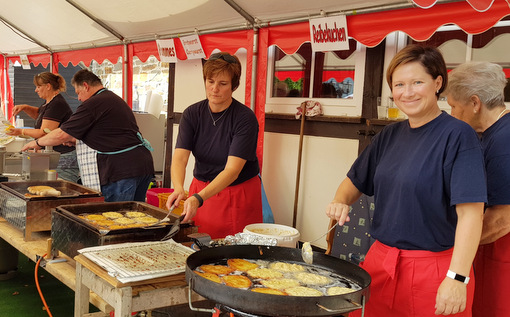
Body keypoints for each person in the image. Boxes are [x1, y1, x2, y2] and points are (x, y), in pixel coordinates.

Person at [327, 45, 487, 317]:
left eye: (417, 82)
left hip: (434, 269)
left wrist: (457, 278)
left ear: (438, 83)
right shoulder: (389, 135)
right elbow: (352, 183)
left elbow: (471, 214)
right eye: (399, 84)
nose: (407, 92)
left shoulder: (458, 136)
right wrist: (339, 202)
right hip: (379, 262)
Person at [166, 52, 262, 239]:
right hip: (200, 190)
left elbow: (232, 170)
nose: (214, 89)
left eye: (223, 84)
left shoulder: (245, 118)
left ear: (234, 86)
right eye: (210, 81)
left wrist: (199, 198)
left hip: (236, 192)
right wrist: (178, 187)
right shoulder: (192, 114)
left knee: (234, 253)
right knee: (199, 244)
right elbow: (180, 158)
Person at [21, 69, 154, 202]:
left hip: (121, 171)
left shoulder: (93, 103)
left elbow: (61, 134)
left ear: (86, 86)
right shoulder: (112, 98)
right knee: (135, 216)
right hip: (141, 165)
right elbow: (108, 134)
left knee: (116, 216)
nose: (78, 98)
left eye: (78, 93)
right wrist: (75, 141)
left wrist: (36, 143)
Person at [446, 61, 510, 317]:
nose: (451, 114)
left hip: (501, 255)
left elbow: (502, 219)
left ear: (475, 103)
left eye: (453, 106)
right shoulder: (492, 133)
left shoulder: (504, 143)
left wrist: (452, 250)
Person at [7, 72, 80, 182]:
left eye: (38, 86)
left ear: (48, 86)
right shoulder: (50, 103)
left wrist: (21, 131)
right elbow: (40, 115)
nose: (36, 90)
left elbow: (44, 132)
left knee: (62, 188)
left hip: (63, 157)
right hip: (56, 156)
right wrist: (25, 108)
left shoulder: (57, 104)